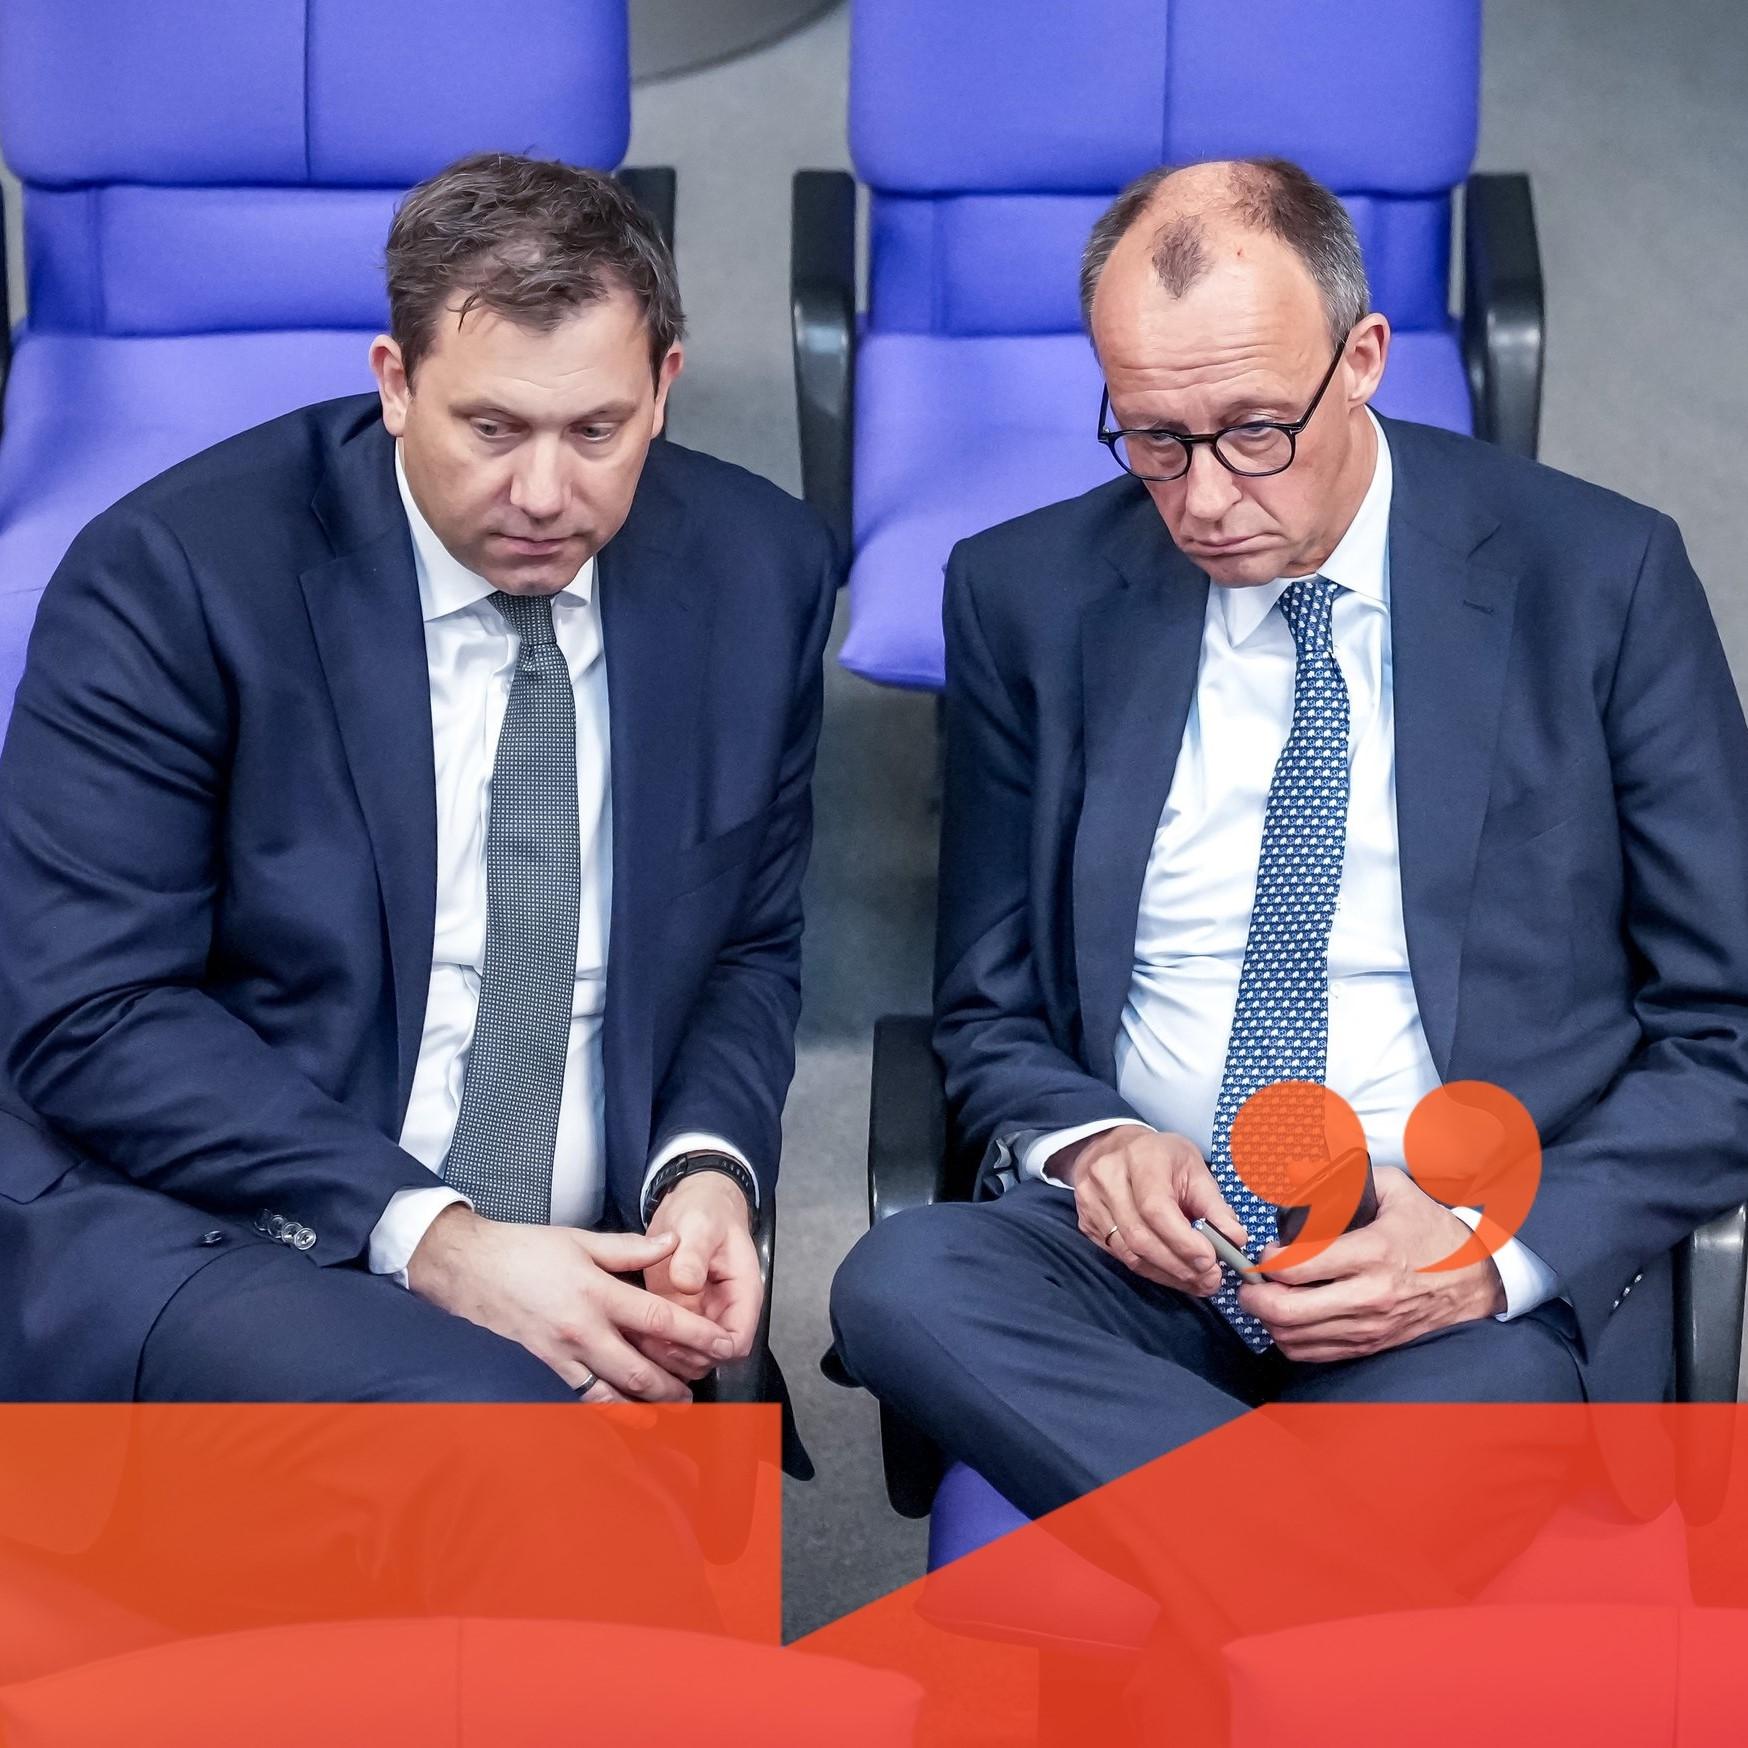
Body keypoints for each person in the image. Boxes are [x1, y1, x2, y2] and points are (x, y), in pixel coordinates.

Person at [830, 156, 1748, 1727]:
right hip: (1147, 1261)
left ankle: (1226, 1617)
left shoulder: (1598, 579)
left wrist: (1489, 1261)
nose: (1202, 497)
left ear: (1365, 358)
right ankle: (1324, 1613)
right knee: (900, 1280)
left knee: (1488, 1401)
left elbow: (1726, 1032)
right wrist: (1089, 1143)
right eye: (1152, 437)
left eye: (1255, 431)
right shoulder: (1026, 596)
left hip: (1447, 1271)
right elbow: (984, 1012)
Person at [0, 153, 835, 1560]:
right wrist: (437, 1240)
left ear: (667, 387)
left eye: (597, 429)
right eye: (491, 427)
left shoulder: (759, 570)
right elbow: (91, 1014)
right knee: (528, 1477)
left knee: (574, 1514)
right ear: (395, 384)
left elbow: (747, 945)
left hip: (582, 1253)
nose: (545, 491)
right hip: (232, 1219)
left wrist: (705, 1170)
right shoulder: (176, 577)